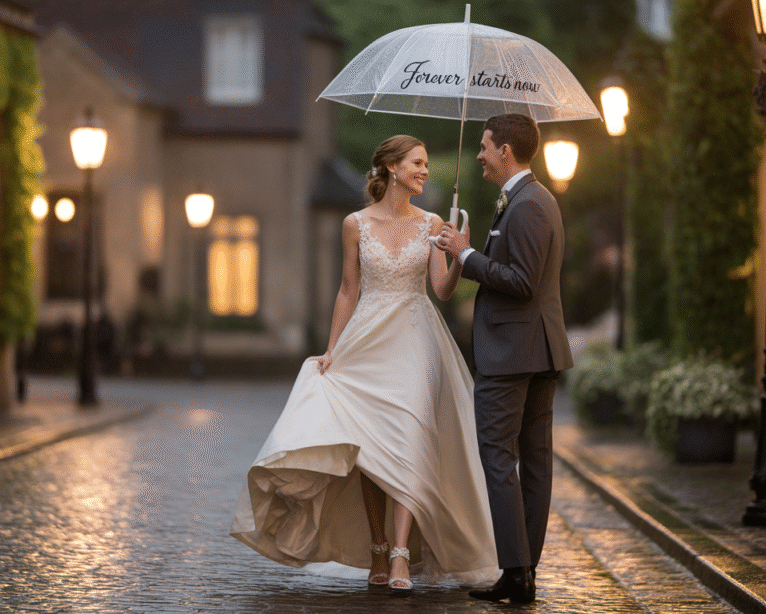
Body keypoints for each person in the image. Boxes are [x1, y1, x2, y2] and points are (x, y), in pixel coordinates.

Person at [231, 135, 498, 594]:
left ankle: (399, 555)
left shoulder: (434, 222)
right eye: (417, 163)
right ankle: (377, 546)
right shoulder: (354, 223)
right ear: (392, 168)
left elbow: (443, 290)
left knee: (411, 439)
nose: (424, 171)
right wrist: (333, 349)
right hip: (367, 342)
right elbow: (347, 290)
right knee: (370, 450)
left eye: (425, 165)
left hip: (416, 341)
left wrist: (457, 255)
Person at [435, 114, 574, 604]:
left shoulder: (531, 204)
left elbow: (521, 281)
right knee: (533, 461)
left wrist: (465, 255)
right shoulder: (526, 200)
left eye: (485, 146)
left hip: (515, 354)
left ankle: (517, 571)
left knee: (500, 457)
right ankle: (523, 573)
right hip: (534, 350)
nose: (479, 155)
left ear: (507, 151)